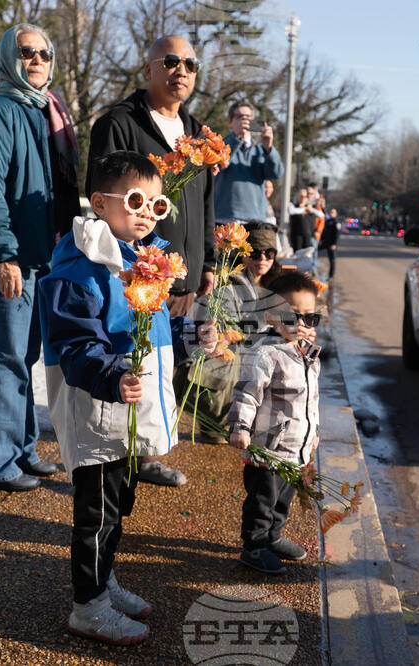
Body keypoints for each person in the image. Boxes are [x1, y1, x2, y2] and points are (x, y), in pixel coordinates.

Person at [40, 151, 215, 645]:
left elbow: (154, 325)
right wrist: (111, 375)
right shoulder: (79, 268)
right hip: (99, 407)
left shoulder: (145, 262)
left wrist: (189, 334)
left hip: (130, 408)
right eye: (135, 200)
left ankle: (105, 580)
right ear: (99, 203)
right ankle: (88, 606)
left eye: (157, 205)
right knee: (96, 513)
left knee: (120, 504)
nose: (146, 212)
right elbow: (74, 343)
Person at [87, 34, 215, 487]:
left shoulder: (199, 134)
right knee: (131, 358)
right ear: (149, 69)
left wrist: (209, 262)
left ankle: (150, 448)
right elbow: (98, 195)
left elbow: (205, 203)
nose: (182, 70)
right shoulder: (119, 123)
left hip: (183, 271)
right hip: (138, 269)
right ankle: (121, 458)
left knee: (168, 362)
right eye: (171, 61)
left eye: (191, 64)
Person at [0, 23, 81, 492]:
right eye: (26, 52)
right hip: (9, 256)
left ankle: (23, 448)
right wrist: (4, 255)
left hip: (42, 253)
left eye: (44, 54)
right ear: (8, 58)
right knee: (9, 357)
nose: (36, 60)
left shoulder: (46, 112)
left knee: (27, 356)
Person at [228, 270, 321, 574]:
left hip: (296, 448)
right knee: (262, 500)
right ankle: (254, 546)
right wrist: (240, 428)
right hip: (266, 447)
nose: (303, 325)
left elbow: (311, 400)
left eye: (311, 318)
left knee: (284, 498)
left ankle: (273, 536)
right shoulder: (265, 354)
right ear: (272, 316)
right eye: (294, 317)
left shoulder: (308, 355)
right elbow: (247, 394)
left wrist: (314, 432)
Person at [176, 223, 283, 443]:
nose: (262, 259)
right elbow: (225, 335)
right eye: (255, 253)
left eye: (269, 253)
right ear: (243, 254)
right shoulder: (227, 285)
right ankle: (220, 422)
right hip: (224, 359)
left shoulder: (278, 285)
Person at [213, 101, 283, 225]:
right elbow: (217, 165)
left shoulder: (261, 150)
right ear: (230, 122)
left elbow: (276, 173)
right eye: (240, 117)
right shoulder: (220, 145)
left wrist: (269, 147)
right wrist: (236, 138)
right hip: (224, 218)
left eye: (248, 117)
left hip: (255, 219)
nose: (245, 120)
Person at [319, 208, 341, 280]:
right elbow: (324, 232)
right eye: (331, 212)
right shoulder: (328, 221)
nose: (331, 213)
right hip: (326, 242)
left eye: (333, 212)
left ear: (336, 214)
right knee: (315, 250)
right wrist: (321, 240)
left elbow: (337, 234)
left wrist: (334, 244)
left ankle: (331, 276)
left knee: (332, 260)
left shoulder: (336, 222)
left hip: (332, 244)